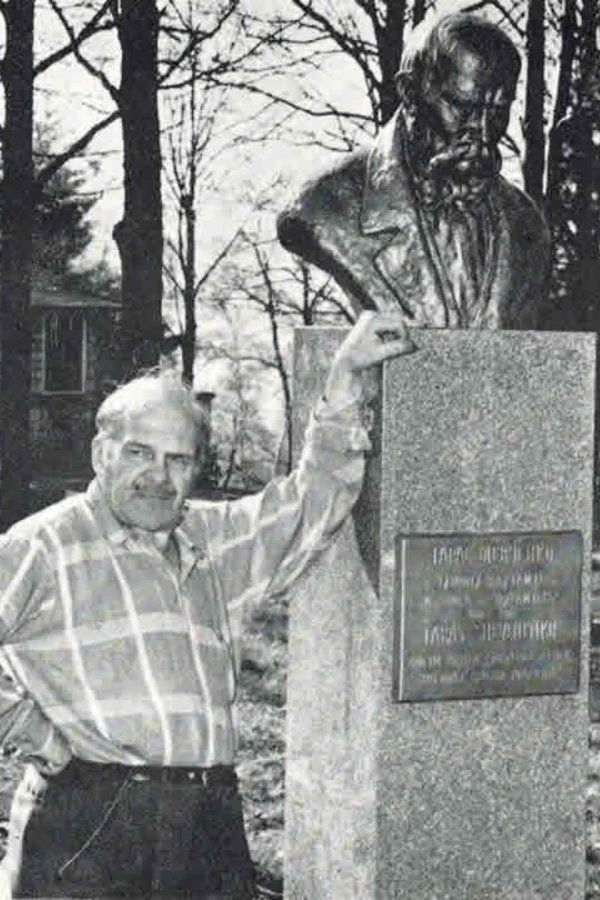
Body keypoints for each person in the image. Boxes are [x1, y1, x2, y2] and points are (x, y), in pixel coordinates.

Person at [0, 311, 415, 900]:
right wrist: (38, 736)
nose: (158, 477)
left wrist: (345, 379)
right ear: (101, 453)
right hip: (89, 823)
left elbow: (309, 502)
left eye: (178, 460)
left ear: (197, 466)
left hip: (207, 821)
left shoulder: (213, 541)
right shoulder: (43, 545)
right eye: (139, 453)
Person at [277, 11, 550, 329]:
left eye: (498, 110)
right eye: (462, 106)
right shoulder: (323, 203)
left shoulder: (527, 227)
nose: (482, 130)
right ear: (409, 93)